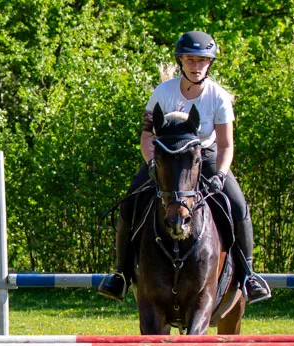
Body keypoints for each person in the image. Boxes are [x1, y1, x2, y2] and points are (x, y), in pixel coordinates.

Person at [97, 31, 271, 304]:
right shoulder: (163, 92)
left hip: (206, 155)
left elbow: (226, 145)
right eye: (190, 59)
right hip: (166, 156)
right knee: (130, 202)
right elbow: (146, 137)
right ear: (181, 61)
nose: (196, 65)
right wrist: (152, 164)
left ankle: (248, 274)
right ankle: (120, 273)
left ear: (209, 63)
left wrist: (221, 175)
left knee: (237, 204)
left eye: (201, 60)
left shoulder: (218, 97)